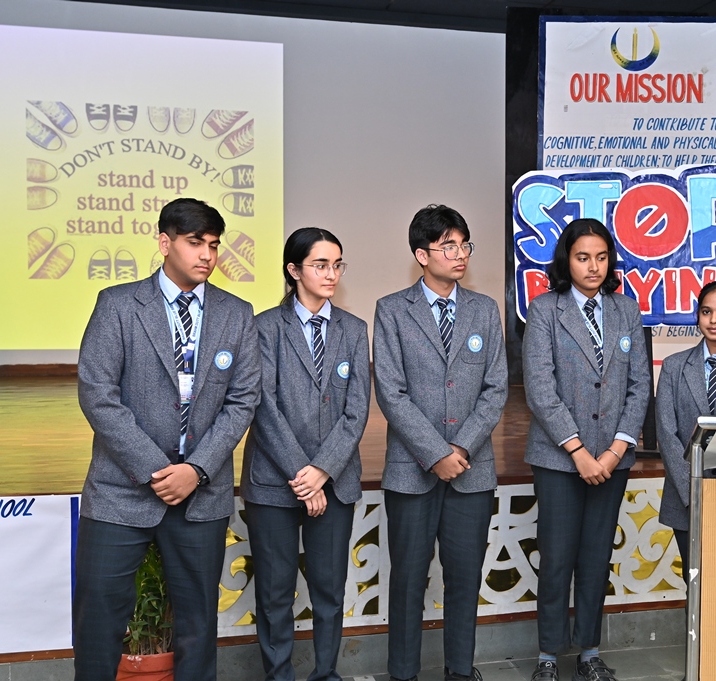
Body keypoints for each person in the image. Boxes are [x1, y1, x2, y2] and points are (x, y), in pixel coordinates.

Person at [74, 198, 261, 680]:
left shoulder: (237, 313)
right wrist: (159, 471)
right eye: (195, 243)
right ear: (164, 242)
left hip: (201, 495)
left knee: (198, 627)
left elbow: (242, 401)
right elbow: (97, 394)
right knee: (98, 622)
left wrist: (195, 470)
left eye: (214, 245)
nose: (207, 255)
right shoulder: (118, 304)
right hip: (120, 492)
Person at [373, 204, 508, 681]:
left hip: (472, 471)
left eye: (464, 244)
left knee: (465, 579)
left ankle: (460, 671)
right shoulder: (392, 309)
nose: (460, 254)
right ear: (422, 254)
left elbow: (496, 388)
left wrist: (461, 449)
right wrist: (435, 454)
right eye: (448, 246)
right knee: (408, 581)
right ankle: (403, 673)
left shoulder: (484, 310)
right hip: (411, 471)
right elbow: (391, 393)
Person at [522, 218, 650, 681]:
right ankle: (548, 657)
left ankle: (590, 653)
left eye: (601, 257)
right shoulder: (544, 310)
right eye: (582, 257)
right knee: (557, 558)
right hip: (559, 459)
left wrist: (615, 451)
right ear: (567, 261)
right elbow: (540, 389)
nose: (593, 266)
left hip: (612, 459)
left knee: (596, 558)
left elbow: (639, 386)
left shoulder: (626, 310)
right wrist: (578, 451)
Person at [241, 228, 370, 681]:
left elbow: (356, 411)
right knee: (275, 592)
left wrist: (322, 471)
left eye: (337, 264)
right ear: (294, 270)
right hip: (274, 481)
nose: (331, 274)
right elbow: (262, 407)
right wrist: (303, 473)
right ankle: (279, 675)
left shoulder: (354, 329)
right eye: (320, 265)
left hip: (334, 481)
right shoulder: (263, 327)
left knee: (329, 590)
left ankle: (326, 673)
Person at [655, 281, 716, 572]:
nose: (714, 320)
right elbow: (666, 433)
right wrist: (694, 490)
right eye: (706, 312)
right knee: (694, 580)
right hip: (685, 498)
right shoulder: (674, 366)